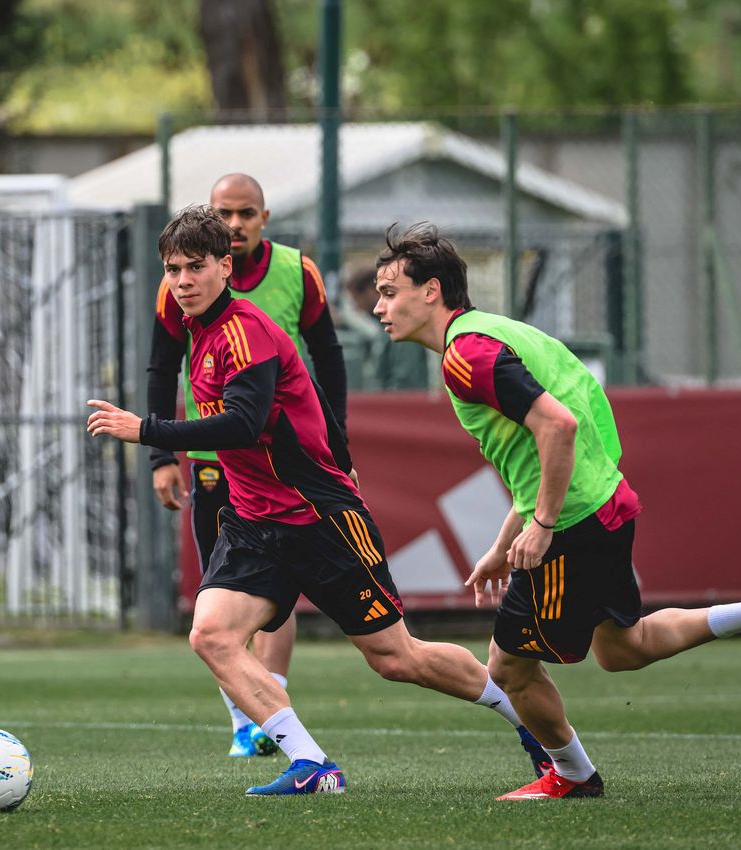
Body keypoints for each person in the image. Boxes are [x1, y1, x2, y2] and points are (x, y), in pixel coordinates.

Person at [371, 221, 741, 801]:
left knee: (508, 670)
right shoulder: (494, 332)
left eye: (389, 291)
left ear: (431, 291)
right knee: (622, 649)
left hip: (573, 522)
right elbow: (540, 448)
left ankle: (575, 776)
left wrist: (543, 524)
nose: (380, 305)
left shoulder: (465, 355)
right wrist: (505, 543)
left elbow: (559, 425)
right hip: (604, 503)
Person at [90, 205, 552, 796]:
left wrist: (147, 431)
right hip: (256, 521)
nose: (182, 282)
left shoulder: (244, 329)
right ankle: (312, 764)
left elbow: (244, 422)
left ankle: (526, 722)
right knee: (211, 635)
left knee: (396, 658)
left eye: (195, 267)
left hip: (319, 518)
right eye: (173, 270)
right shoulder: (195, 331)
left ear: (225, 267)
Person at [146, 173, 348, 758]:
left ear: (263, 218)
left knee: (281, 591)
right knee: (222, 590)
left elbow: (326, 360)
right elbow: (162, 370)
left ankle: (271, 704)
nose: (234, 224)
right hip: (214, 457)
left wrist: (339, 448)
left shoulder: (296, 273)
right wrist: (164, 456)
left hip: (285, 463)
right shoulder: (178, 282)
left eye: (245, 213)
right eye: (223, 213)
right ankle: (244, 721)